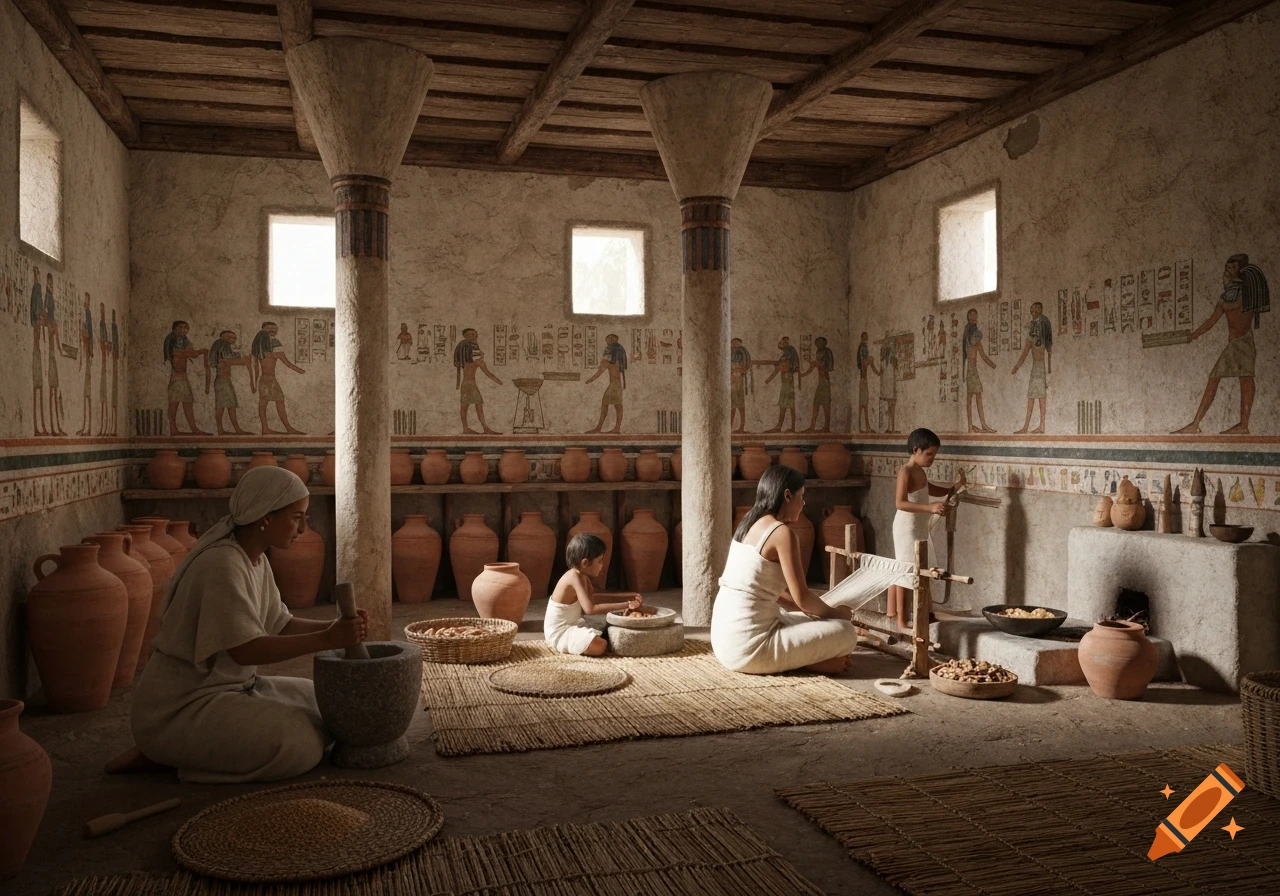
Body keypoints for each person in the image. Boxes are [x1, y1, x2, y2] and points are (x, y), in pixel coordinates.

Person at [109, 466, 368, 783]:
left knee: (326, 703)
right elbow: (246, 650)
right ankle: (170, 754)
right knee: (301, 744)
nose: (302, 529)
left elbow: (280, 624)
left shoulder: (254, 558)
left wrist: (336, 626)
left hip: (234, 691)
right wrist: (328, 639)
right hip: (183, 708)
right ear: (266, 517)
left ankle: (183, 752)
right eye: (297, 517)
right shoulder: (222, 564)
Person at [711, 465, 860, 675]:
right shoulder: (781, 533)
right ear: (787, 495)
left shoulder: (748, 523)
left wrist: (822, 612)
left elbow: (777, 594)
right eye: (802, 496)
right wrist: (839, 614)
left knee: (814, 619)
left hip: (723, 639)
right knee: (846, 633)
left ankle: (803, 658)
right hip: (750, 649)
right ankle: (811, 662)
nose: (804, 503)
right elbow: (803, 599)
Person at [887, 429, 963, 631]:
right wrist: (930, 507)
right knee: (906, 571)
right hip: (906, 526)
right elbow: (900, 503)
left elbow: (929, 490)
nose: (932, 459)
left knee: (924, 567)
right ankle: (902, 621)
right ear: (916, 450)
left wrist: (954, 487)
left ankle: (927, 614)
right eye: (929, 454)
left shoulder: (920, 471)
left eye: (934, 455)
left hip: (919, 526)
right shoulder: (906, 471)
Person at [545, 533, 642, 656]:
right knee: (600, 645)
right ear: (585, 563)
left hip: (573, 625)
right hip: (560, 632)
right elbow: (590, 609)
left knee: (608, 634)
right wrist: (626, 605)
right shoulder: (573, 577)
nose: (602, 565)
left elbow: (593, 598)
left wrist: (627, 596)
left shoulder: (582, 576)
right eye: (600, 561)